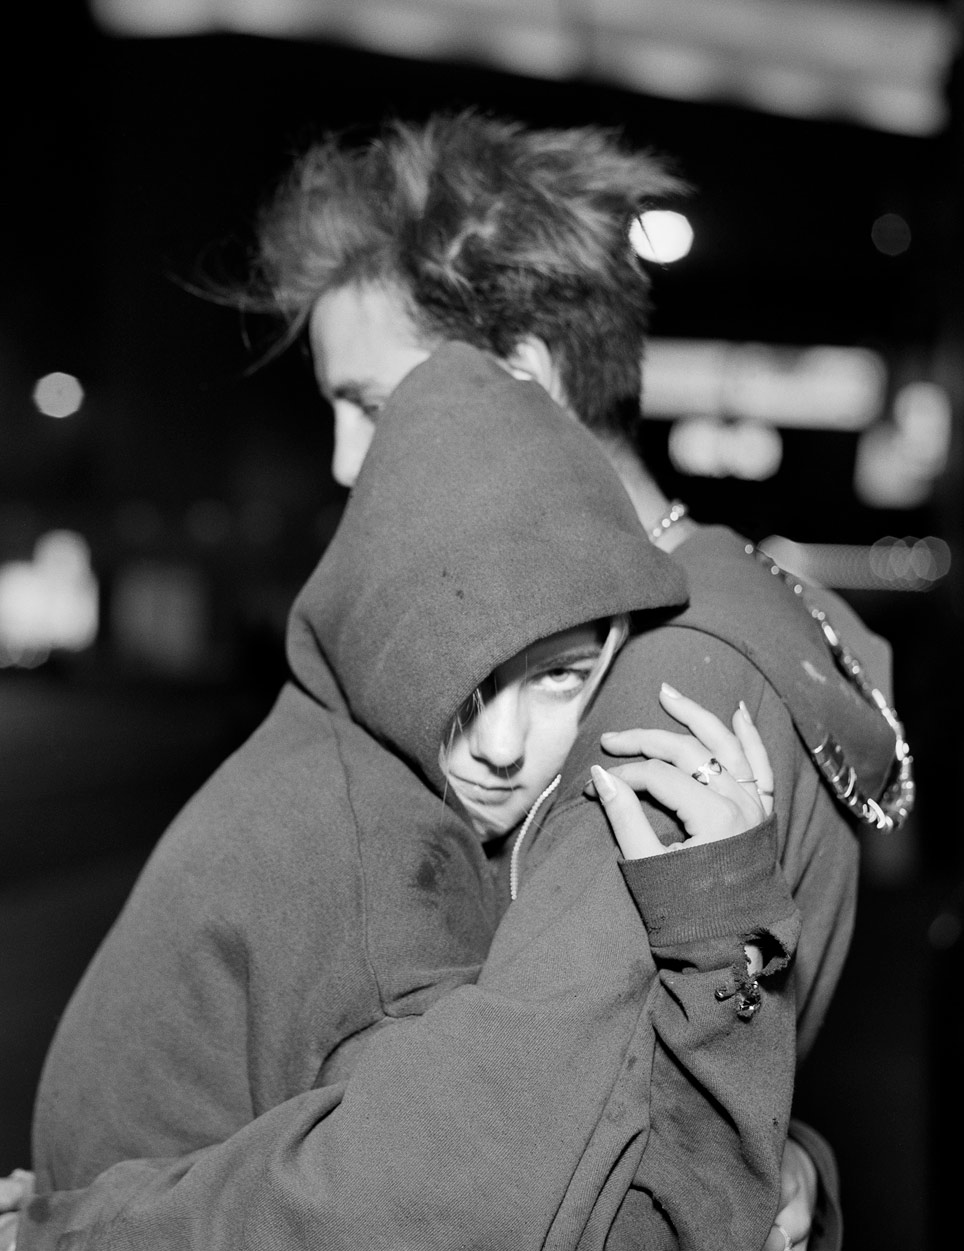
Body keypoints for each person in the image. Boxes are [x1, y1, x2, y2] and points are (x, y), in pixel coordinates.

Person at [13, 112, 912, 1249]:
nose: (347, 461)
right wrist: (799, 1169)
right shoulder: (765, 605)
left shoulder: (655, 691)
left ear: (516, 384)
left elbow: (504, 1178)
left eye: (373, 404)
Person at [16, 343, 799, 1251]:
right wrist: (723, 931)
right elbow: (624, 1230)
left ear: (618, 636)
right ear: (380, 634)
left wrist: (798, 1150)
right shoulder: (382, 878)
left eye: (560, 677)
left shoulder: (327, 756)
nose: (503, 749)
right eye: (463, 680)